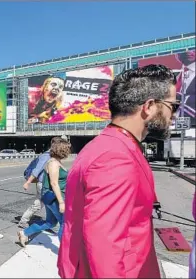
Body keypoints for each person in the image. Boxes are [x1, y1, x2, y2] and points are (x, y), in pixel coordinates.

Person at [57, 64, 180, 278]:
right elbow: (104, 243)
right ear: (149, 106)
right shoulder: (116, 156)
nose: (174, 116)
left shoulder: (105, 145)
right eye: (173, 106)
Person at [18, 137, 71, 246]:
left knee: (50, 222)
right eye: (66, 149)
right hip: (54, 198)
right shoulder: (53, 163)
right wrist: (61, 202)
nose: (68, 151)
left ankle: (24, 233)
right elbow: (54, 183)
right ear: (61, 149)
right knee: (64, 223)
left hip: (51, 197)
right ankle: (64, 252)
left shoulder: (56, 161)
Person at [18, 137, 60, 229]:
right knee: (47, 204)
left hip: (46, 184)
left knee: (39, 204)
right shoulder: (46, 156)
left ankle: (24, 220)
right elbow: (37, 170)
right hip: (43, 184)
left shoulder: (52, 156)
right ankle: (54, 224)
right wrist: (28, 182)